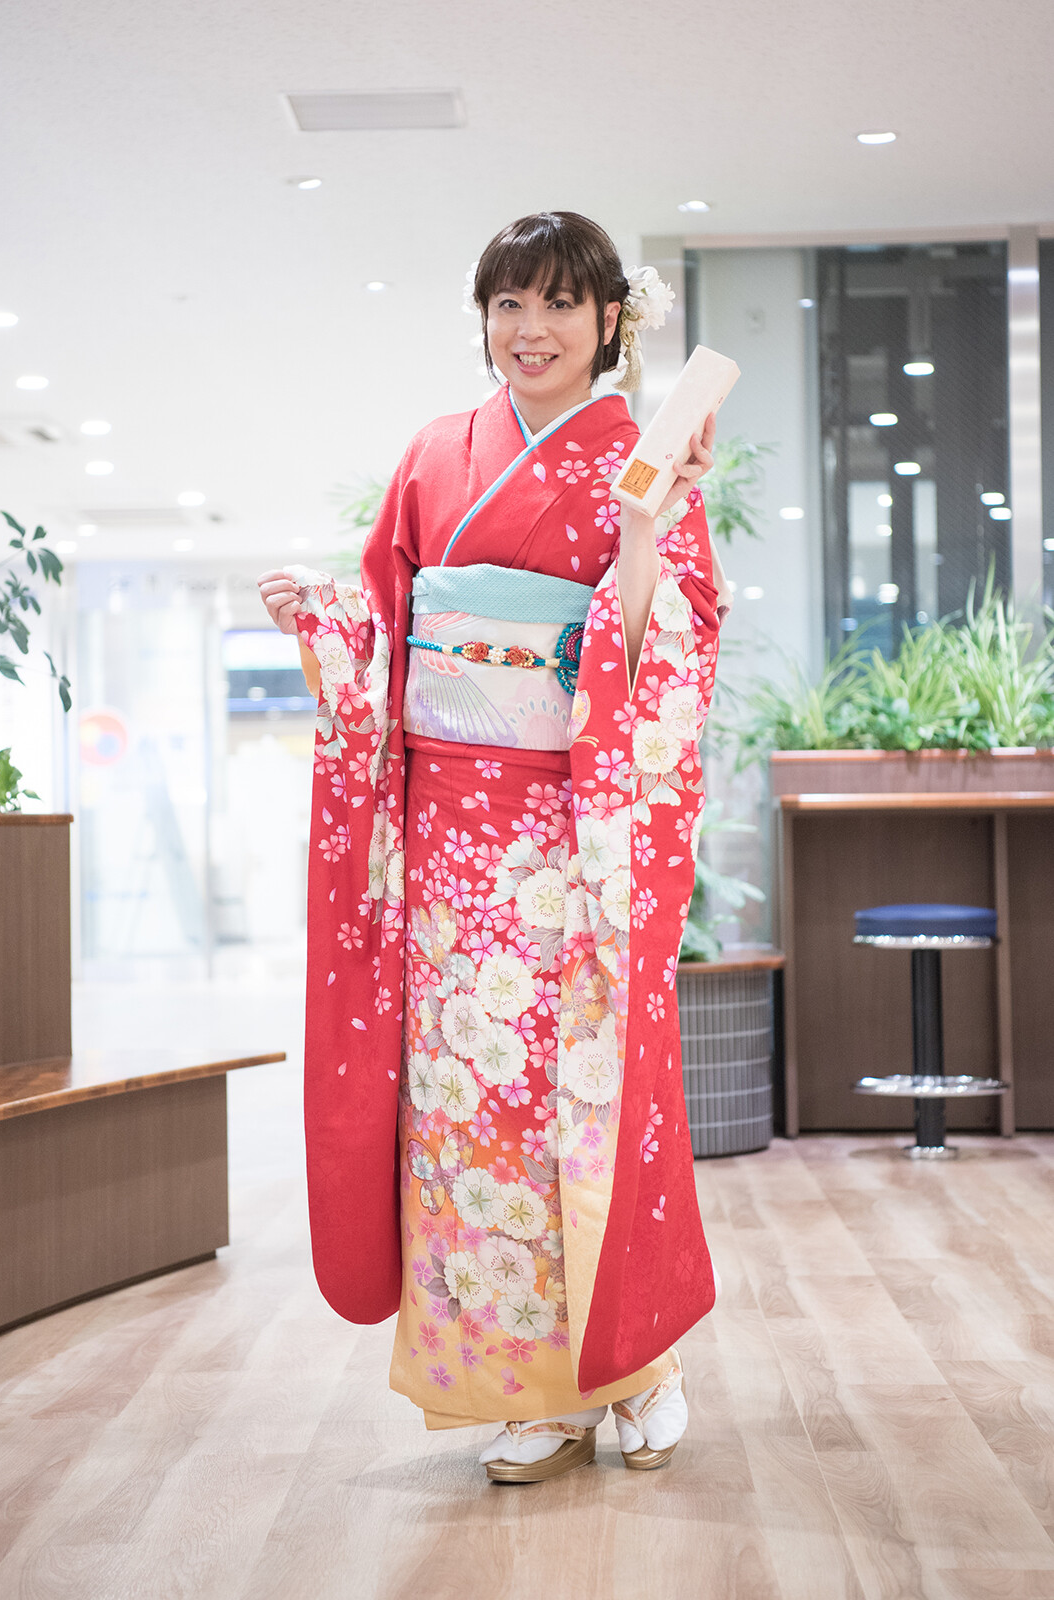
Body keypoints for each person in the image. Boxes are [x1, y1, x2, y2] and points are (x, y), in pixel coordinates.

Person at [258, 210, 730, 1484]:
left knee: (587, 1097)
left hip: (571, 842)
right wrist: (325, 625)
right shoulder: (434, 453)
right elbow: (387, 626)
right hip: (447, 854)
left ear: (610, 321)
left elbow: (665, 645)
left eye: (560, 304)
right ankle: (536, 1390)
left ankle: (638, 1364)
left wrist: (646, 524)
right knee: (472, 1113)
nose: (531, 330)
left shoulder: (640, 452)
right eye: (508, 304)